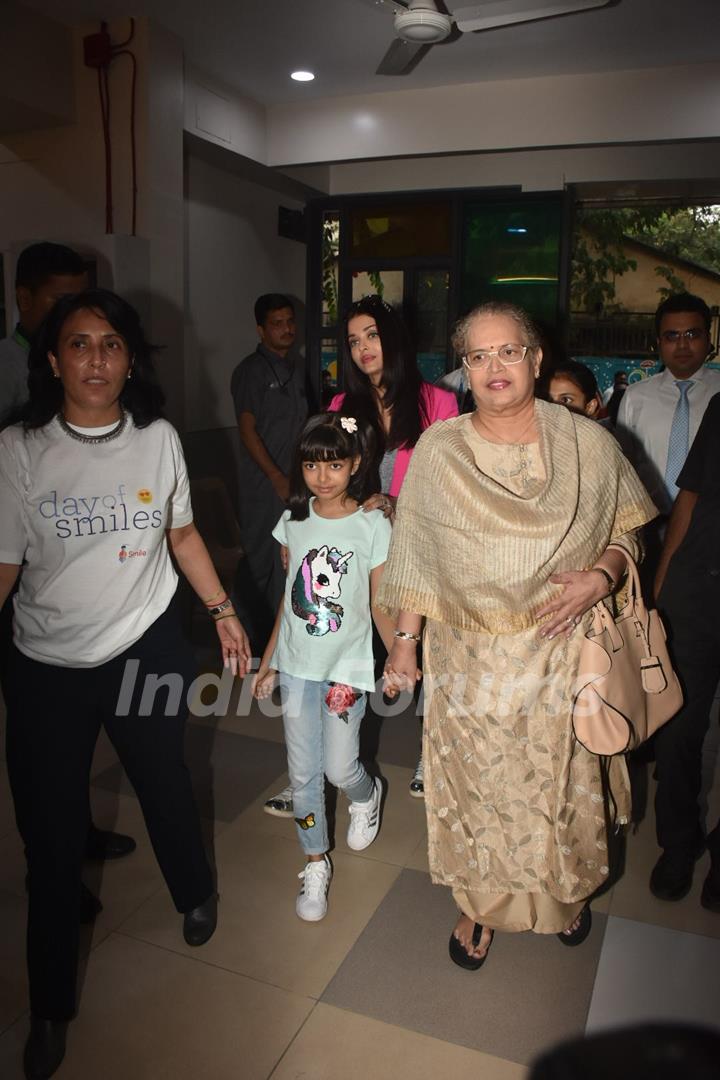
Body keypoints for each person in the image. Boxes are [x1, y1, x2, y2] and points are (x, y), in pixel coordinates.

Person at [0, 288, 251, 1080]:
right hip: (44, 666)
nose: (97, 359)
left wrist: (222, 610)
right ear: (52, 360)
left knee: (166, 783)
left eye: (111, 343)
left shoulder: (158, 440)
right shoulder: (19, 451)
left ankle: (194, 893)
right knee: (49, 838)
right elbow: (5, 565)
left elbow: (180, 531)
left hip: (144, 647)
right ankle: (49, 1010)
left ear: (130, 358)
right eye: (79, 344)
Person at [380, 301, 656, 970]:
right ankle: (479, 904)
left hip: (562, 653)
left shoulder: (590, 444)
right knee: (478, 790)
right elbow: (414, 554)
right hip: (470, 655)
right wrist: (405, 644)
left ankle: (565, 894)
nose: (495, 367)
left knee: (558, 788)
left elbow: (628, 533)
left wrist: (602, 575)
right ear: (463, 371)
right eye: (478, 355)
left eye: (510, 351)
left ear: (536, 359)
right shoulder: (442, 450)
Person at [0, 242, 136, 917]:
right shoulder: (10, 373)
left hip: (67, 573)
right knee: (33, 748)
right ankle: (45, 864)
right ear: (24, 300)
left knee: (73, 734)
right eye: (59, 306)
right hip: (17, 575)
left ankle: (75, 835)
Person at [252, 412, 402, 921]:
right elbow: (288, 600)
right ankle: (315, 861)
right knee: (302, 771)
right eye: (312, 465)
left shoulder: (371, 524)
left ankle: (368, 792)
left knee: (341, 768)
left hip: (346, 670)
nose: (322, 476)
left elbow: (381, 603)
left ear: (355, 464)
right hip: (296, 667)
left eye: (334, 464)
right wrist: (269, 661)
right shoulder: (292, 523)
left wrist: (401, 656)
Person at [329, 294, 458, 798]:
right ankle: (338, 759)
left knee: (432, 654)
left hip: (422, 550)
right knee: (354, 652)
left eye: (372, 336)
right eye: (354, 341)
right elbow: (330, 479)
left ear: (394, 339)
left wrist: (399, 504)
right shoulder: (342, 406)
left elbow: (449, 485)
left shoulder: (437, 403)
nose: (363, 349)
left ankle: (433, 754)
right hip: (361, 552)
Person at [651, 392, 720, 909]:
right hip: (698, 589)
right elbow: (690, 495)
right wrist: (664, 579)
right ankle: (678, 843)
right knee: (678, 729)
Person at [230, 293, 309, 658]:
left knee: (290, 561)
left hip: (299, 485)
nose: (287, 329)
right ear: (261, 330)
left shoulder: (299, 369)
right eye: (277, 323)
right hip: (265, 487)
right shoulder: (251, 371)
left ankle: (285, 642)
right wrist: (276, 477)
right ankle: (253, 645)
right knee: (261, 562)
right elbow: (247, 430)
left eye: (290, 321)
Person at [616, 293, 720, 516]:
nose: (682, 345)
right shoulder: (635, 397)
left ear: (708, 339)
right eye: (672, 336)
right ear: (659, 344)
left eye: (692, 334)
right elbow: (623, 467)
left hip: (708, 530)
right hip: (649, 523)